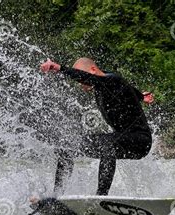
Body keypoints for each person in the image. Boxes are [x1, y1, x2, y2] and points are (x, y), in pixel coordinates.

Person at [40, 57, 152, 196]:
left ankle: (100, 198)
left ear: (93, 70)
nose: (81, 83)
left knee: (107, 143)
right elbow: (128, 87)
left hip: (140, 141)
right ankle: (56, 196)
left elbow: (99, 79)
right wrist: (141, 97)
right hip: (121, 140)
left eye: (83, 78)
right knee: (67, 147)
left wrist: (59, 68)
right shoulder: (107, 83)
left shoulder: (113, 80)